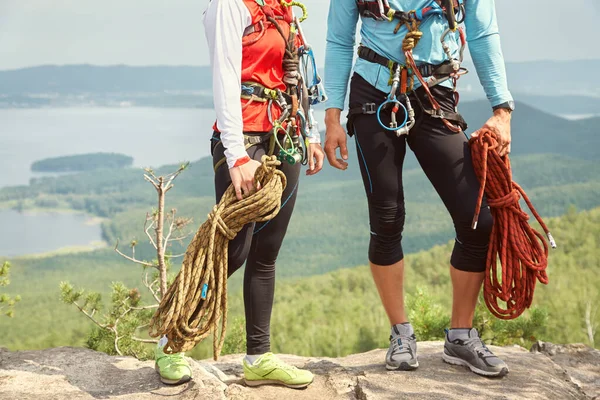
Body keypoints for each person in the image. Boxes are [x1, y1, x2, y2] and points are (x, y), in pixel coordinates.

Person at [324, 0, 514, 377]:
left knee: (478, 218)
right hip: (374, 95)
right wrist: (332, 115)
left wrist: (502, 109)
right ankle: (401, 334)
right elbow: (339, 39)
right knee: (387, 216)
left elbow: (482, 31)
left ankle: (460, 336)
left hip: (434, 93)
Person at [154, 0, 325, 388]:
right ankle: (171, 342)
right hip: (244, 139)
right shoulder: (230, 5)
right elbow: (225, 77)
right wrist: (237, 155)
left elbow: (295, 73)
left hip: (285, 134)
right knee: (231, 250)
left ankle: (258, 357)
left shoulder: (285, 8)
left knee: (267, 251)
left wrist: (310, 134)